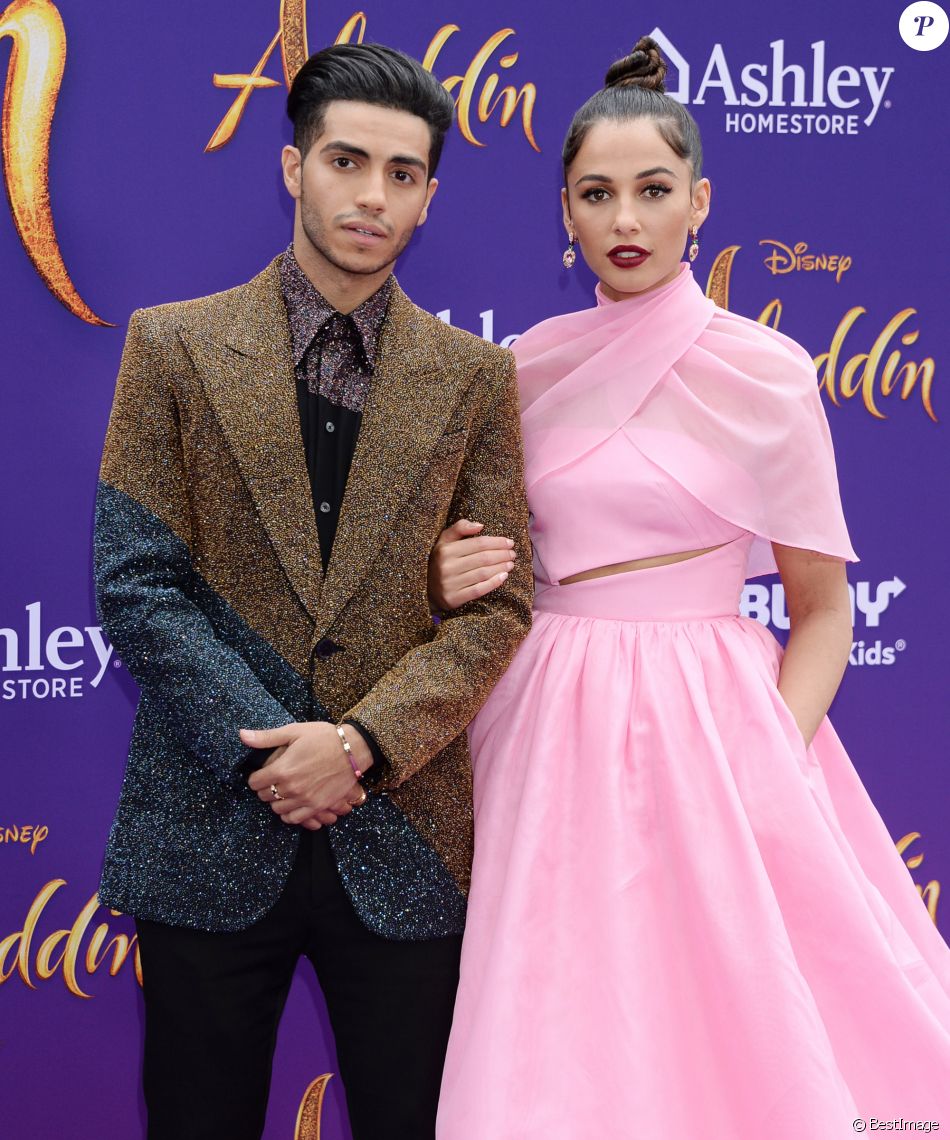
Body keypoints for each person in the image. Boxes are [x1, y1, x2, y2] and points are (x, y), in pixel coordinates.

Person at [431, 37, 950, 1140]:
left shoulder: (768, 373)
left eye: (651, 192)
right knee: (554, 1019)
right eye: (596, 195)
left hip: (714, 720)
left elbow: (821, 610)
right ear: (563, 212)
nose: (624, 221)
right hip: (541, 718)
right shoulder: (517, 368)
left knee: (731, 1019)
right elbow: (482, 566)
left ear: (698, 204)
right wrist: (446, 574)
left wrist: (769, 744)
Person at [94, 43, 533, 1140]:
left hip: (403, 835)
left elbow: (497, 607)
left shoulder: (475, 379)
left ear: (429, 197)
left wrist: (359, 747)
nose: (370, 196)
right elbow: (137, 578)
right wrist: (270, 750)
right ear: (294, 167)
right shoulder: (172, 347)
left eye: (401, 174)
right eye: (346, 161)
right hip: (207, 825)